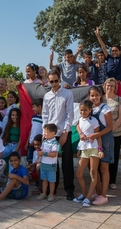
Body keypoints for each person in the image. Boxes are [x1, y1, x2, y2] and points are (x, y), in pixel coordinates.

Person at [42, 69, 75, 200]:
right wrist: (44, 132)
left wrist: (65, 132)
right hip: (50, 133)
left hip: (63, 131)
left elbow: (70, 114)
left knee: (67, 161)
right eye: (51, 81)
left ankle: (69, 190)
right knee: (50, 162)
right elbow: (44, 115)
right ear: (48, 81)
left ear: (60, 79)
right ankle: (51, 190)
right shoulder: (47, 96)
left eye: (56, 81)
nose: (54, 83)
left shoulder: (67, 94)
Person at [89, 86, 114, 205]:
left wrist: (97, 134)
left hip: (105, 141)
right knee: (94, 169)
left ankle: (104, 195)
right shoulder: (90, 109)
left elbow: (110, 127)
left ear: (101, 95)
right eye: (92, 95)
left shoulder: (105, 109)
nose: (94, 97)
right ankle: (98, 191)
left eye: (96, 95)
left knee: (104, 169)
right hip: (94, 142)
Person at [74, 100, 102, 207]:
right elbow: (79, 129)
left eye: (85, 110)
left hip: (94, 148)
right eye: (81, 110)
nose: (83, 112)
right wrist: (79, 149)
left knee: (93, 172)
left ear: (90, 110)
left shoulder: (94, 121)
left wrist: (100, 149)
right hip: (84, 149)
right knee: (79, 173)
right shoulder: (80, 120)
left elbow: (98, 135)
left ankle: (89, 197)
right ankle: (85, 194)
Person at [94, 26, 121, 96]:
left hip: (117, 83)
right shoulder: (109, 58)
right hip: (108, 84)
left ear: (119, 52)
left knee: (118, 100)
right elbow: (103, 47)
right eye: (112, 51)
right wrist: (98, 35)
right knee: (107, 100)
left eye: (116, 51)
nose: (114, 52)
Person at [102, 78, 121, 190]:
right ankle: (102, 179)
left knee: (113, 157)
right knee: (103, 157)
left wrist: (110, 129)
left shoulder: (119, 100)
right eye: (108, 85)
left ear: (115, 87)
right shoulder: (100, 99)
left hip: (116, 134)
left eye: (112, 86)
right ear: (104, 86)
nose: (110, 87)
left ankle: (112, 181)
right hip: (102, 133)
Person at [37, 124, 59, 202]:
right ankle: (44, 193)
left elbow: (54, 154)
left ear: (53, 133)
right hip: (44, 164)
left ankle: (51, 194)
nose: (44, 134)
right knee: (44, 180)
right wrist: (39, 157)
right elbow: (42, 151)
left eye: (46, 132)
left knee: (51, 181)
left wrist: (44, 154)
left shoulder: (54, 143)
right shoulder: (44, 141)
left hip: (51, 165)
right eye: (44, 132)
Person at [1, 108, 21, 172]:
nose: (14, 117)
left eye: (16, 115)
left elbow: (21, 139)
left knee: (12, 163)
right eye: (13, 115)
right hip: (8, 145)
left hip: (17, 146)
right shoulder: (9, 124)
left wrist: (16, 151)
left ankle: (10, 181)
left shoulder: (21, 125)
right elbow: (5, 136)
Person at [25, 98, 43, 164]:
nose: (33, 109)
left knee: (38, 160)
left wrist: (35, 141)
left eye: (34, 107)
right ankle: (29, 174)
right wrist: (28, 141)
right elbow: (32, 129)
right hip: (31, 143)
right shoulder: (33, 117)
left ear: (39, 107)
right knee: (29, 160)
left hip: (38, 143)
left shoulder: (45, 118)